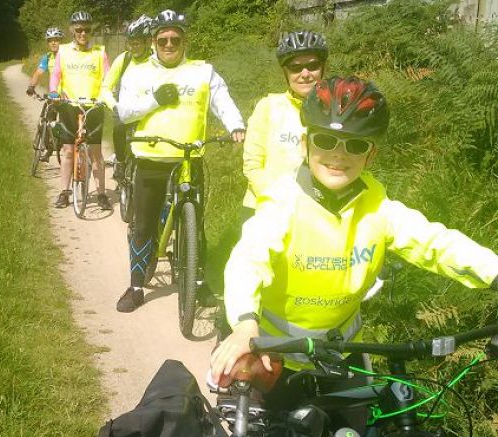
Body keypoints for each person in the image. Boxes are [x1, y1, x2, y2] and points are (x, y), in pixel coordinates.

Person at [210, 76, 498, 410]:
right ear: (305, 144)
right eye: (326, 140)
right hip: (272, 356)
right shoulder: (281, 202)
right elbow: (249, 259)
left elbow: (437, 242)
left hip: (341, 358)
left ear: (370, 154)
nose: (339, 154)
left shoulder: (379, 208)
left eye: (355, 145)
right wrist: (246, 323)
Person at [115, 10, 246, 313]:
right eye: (163, 39)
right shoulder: (138, 71)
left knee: (195, 222)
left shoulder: (202, 71)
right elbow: (123, 113)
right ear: (154, 41)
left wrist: (236, 125)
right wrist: (154, 100)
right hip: (150, 156)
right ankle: (136, 286)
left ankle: (197, 283)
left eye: (175, 38)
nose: (169, 44)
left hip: (189, 156)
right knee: (144, 224)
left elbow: (222, 100)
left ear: (184, 40)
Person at [241, 30, 328, 224]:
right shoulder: (268, 106)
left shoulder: (335, 110)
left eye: (312, 66)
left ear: (323, 68)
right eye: (295, 68)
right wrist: (275, 200)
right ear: (285, 72)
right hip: (264, 208)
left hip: (316, 212)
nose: (305, 74)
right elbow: (252, 164)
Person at [49, 11, 111, 210]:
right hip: (69, 106)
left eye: (87, 30)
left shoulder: (100, 52)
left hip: (94, 107)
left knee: (95, 153)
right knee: (68, 151)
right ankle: (64, 192)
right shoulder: (63, 51)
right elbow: (56, 76)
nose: (83, 33)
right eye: (79, 30)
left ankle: (101, 194)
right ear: (72, 31)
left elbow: (107, 79)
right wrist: (53, 92)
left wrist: (104, 98)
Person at [100, 14, 153, 182]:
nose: (133, 47)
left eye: (137, 43)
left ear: (148, 41)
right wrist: (114, 105)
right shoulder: (123, 60)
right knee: (119, 129)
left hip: (149, 114)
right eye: (130, 43)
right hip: (124, 111)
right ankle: (121, 162)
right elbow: (105, 87)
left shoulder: (157, 61)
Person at [26, 26, 64, 161]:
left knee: (65, 126)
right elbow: (39, 72)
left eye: (56, 40)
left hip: (67, 96)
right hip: (53, 96)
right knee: (45, 122)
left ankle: (63, 145)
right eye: (50, 40)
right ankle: (48, 149)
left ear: (61, 41)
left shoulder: (68, 55)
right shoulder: (47, 58)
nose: (53, 43)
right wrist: (31, 86)